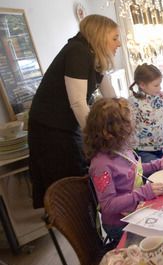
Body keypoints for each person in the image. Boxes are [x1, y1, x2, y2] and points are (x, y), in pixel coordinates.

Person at [28, 14, 120, 209]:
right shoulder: (78, 52)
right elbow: (78, 103)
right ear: (99, 36)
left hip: (67, 125)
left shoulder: (93, 54)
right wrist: (98, 139)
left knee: (83, 171)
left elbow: (109, 94)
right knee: (73, 180)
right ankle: (82, 229)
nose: (118, 43)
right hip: (51, 129)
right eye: (114, 37)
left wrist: (122, 119)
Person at [85, 98, 163, 244]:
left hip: (137, 209)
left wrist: (158, 164)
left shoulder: (120, 147)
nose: (132, 128)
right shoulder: (101, 166)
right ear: (111, 132)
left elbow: (134, 171)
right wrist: (144, 192)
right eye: (127, 125)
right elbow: (108, 205)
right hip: (120, 223)